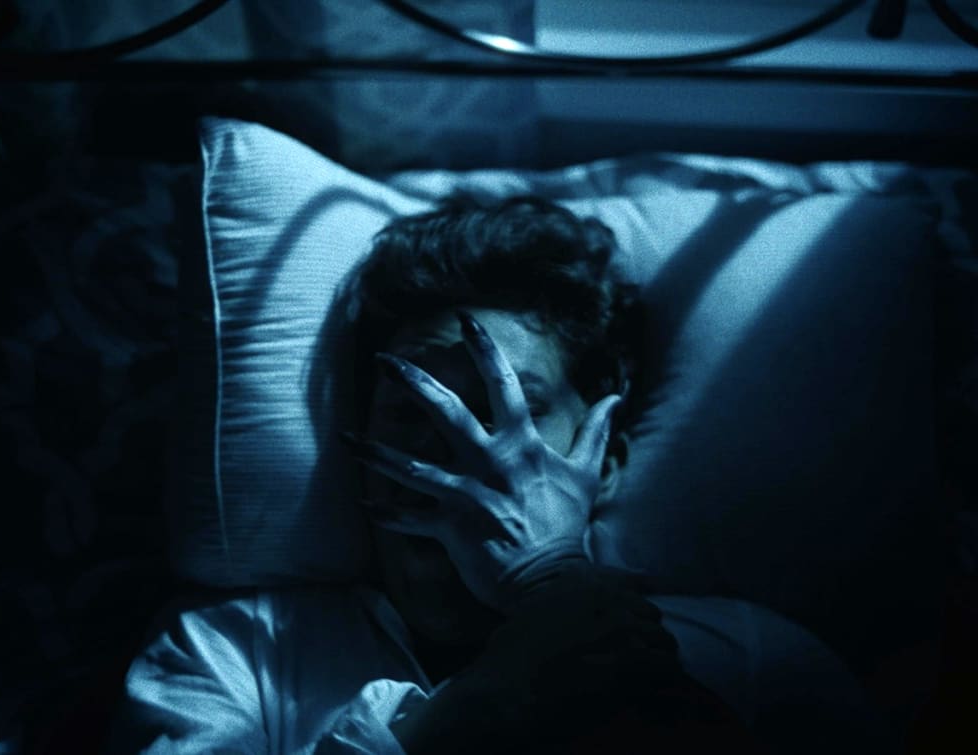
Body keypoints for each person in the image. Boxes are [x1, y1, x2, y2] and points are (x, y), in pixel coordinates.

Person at [106, 195, 889, 754]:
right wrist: (471, 713)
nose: (457, 452)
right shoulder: (232, 657)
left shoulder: (759, 663)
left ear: (606, 462)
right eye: (413, 407)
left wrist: (555, 586)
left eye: (507, 409)